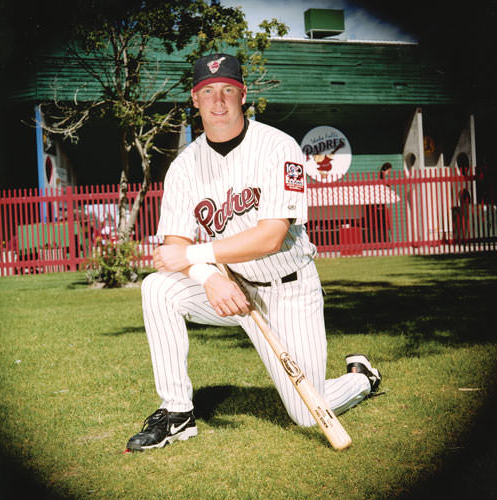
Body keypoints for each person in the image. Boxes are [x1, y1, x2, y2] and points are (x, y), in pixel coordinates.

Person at [126, 54, 382, 451]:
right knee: (158, 288)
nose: (218, 101)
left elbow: (271, 237)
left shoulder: (278, 147)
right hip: (231, 288)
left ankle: (362, 377)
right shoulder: (184, 166)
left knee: (303, 411)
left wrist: (197, 256)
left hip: (288, 289)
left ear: (242, 95)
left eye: (228, 90)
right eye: (207, 92)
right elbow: (173, 245)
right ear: (195, 100)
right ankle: (177, 413)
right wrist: (209, 276)